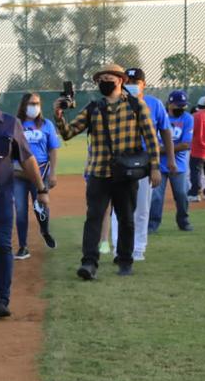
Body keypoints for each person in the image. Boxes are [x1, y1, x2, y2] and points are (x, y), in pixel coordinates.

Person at [54, 63, 161, 279]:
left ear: (120, 80)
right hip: (98, 172)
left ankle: (125, 260)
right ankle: (89, 263)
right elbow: (68, 132)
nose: (104, 82)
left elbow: (151, 138)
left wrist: (155, 168)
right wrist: (58, 114)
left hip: (126, 173)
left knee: (126, 219)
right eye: (100, 79)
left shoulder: (136, 106)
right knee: (93, 217)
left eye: (108, 78)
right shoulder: (93, 108)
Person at [0, 75, 49, 318]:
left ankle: (2, 299)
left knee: (2, 246)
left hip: (1, 195)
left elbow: (26, 158)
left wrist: (41, 189)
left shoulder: (10, 124)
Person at [109, 67, 175, 260]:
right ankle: (118, 249)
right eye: (127, 81)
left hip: (145, 162)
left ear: (143, 84)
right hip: (121, 161)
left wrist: (169, 159)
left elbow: (166, 131)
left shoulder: (154, 104)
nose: (131, 85)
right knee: (119, 207)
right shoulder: (116, 103)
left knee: (142, 207)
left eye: (135, 82)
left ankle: (138, 249)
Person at [14, 92, 61, 258]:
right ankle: (23, 246)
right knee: (20, 210)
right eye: (31, 103)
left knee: (41, 206)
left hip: (41, 173)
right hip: (19, 173)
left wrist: (53, 173)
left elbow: (53, 149)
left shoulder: (46, 124)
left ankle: (45, 230)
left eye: (37, 103)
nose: (34, 107)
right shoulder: (16, 124)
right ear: (24, 105)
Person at [149, 90, 194, 232]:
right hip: (158, 165)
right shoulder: (160, 117)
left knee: (181, 195)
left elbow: (186, 144)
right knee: (156, 197)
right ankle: (152, 224)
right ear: (169, 104)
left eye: (183, 105)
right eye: (178, 105)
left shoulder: (187, 118)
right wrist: (162, 150)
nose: (181, 108)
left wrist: (162, 149)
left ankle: (184, 221)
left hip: (179, 165)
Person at [189, 95, 205, 201]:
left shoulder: (194, 116)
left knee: (196, 173)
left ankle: (195, 193)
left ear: (199, 106)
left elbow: (190, 133)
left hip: (197, 150)